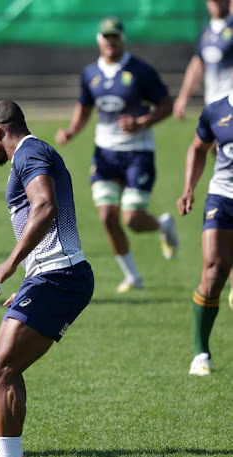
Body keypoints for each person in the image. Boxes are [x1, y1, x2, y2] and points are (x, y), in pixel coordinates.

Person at [0, 101, 93, 457]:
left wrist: (12, 261)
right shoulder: (35, 152)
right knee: (5, 368)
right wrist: (31, 274)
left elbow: (46, 205)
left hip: (62, 277)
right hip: (51, 275)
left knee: (1, 368)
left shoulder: (29, 153)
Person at [55, 16, 178, 293]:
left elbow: (167, 105)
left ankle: (162, 226)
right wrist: (72, 131)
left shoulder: (140, 71)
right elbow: (84, 107)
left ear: (123, 39)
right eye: (106, 37)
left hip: (138, 154)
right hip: (105, 155)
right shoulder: (90, 74)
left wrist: (141, 122)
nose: (110, 42)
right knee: (107, 217)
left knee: (132, 220)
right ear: (99, 41)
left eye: (115, 37)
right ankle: (132, 276)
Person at [173, 0, 233, 309]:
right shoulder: (207, 32)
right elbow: (198, 64)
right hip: (216, 112)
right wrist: (184, 95)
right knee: (221, 166)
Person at [176, 90, 233, 375]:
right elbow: (198, 148)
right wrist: (188, 189)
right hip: (222, 198)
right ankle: (201, 353)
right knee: (213, 272)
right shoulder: (216, 111)